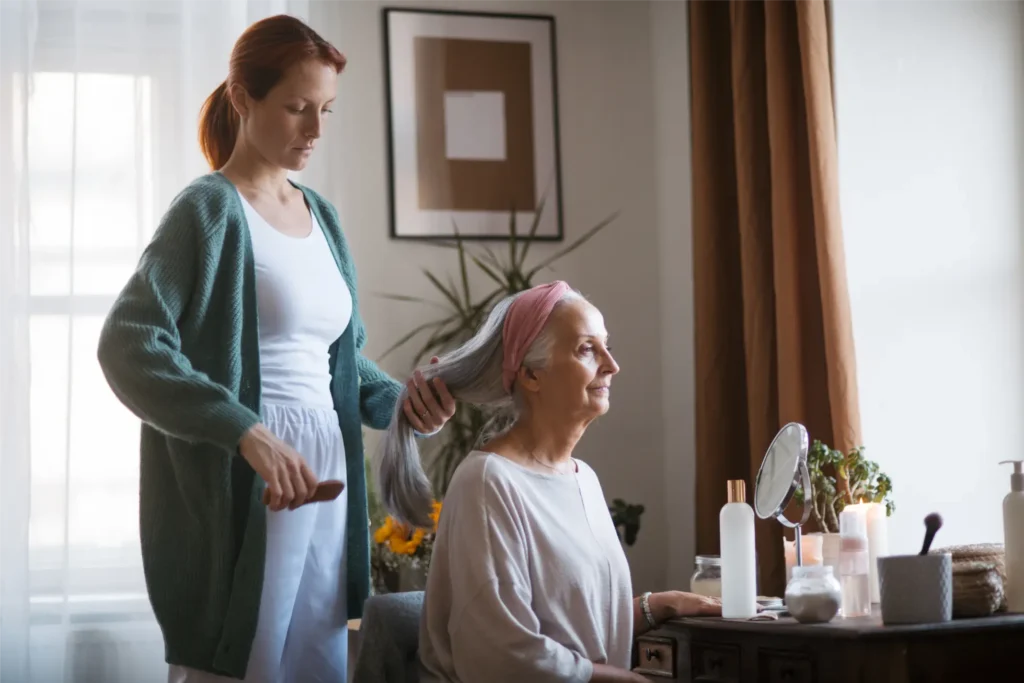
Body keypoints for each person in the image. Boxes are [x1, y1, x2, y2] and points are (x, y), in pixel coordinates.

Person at [95, 14, 454, 683]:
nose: (315, 130)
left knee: (316, 664)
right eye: (296, 107)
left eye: (325, 110)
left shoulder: (323, 216)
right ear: (243, 99)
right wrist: (245, 431)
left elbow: (342, 361)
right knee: (239, 665)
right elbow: (128, 343)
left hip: (326, 481)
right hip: (252, 482)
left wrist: (403, 402)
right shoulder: (206, 210)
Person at [375, 281, 723, 683]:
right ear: (530, 375)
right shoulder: (489, 483)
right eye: (587, 349)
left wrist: (657, 606)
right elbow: (501, 654)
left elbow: (573, 626)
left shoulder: (583, 479)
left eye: (607, 346)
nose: (612, 365)